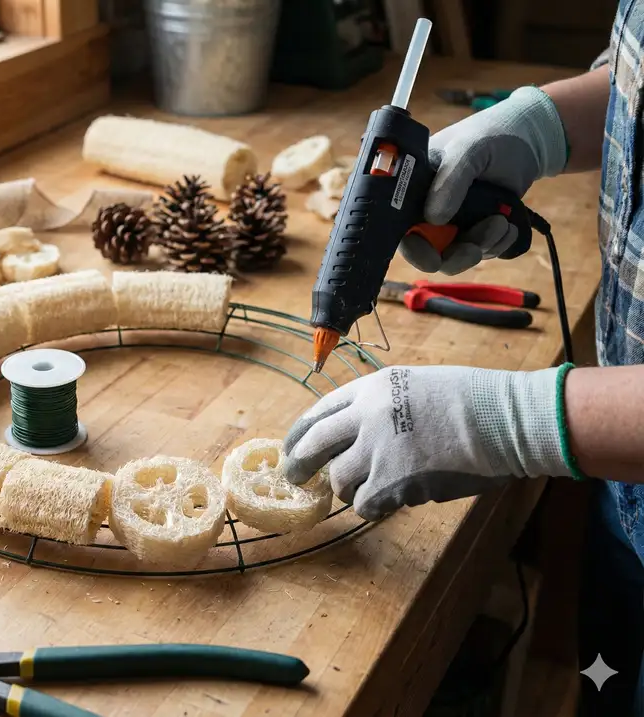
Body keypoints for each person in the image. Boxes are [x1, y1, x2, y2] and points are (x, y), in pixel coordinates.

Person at [282, 2, 644, 714]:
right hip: (623, 478)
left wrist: (509, 419)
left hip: (607, 436)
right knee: (609, 683)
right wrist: (542, 124)